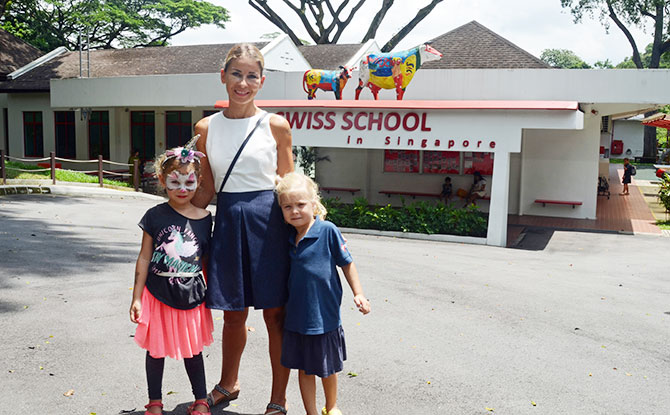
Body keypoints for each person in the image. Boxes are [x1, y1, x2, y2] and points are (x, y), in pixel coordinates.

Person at [191, 43, 294, 415]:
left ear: (262, 82)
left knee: (275, 315)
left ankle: (278, 400)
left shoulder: (276, 125)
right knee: (233, 314)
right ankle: (228, 384)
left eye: (252, 76)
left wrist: (309, 229)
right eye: (236, 74)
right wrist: (174, 221)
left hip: (270, 225)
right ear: (223, 76)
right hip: (230, 220)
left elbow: (289, 183)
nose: (243, 83)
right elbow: (206, 188)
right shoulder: (206, 127)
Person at [275, 172, 371, 415]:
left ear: (314, 204)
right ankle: (311, 412)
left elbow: (347, 263)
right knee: (304, 370)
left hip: (324, 317)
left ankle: (332, 406)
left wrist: (358, 293)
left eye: (300, 205)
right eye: (288, 207)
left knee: (327, 368)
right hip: (297, 318)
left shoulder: (327, 230)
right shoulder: (287, 238)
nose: (295, 211)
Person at [130, 142, 214, 415]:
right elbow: (144, 257)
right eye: (174, 182)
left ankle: (200, 400)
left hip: (192, 295)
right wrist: (137, 297)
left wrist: (214, 293)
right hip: (156, 294)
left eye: (189, 182)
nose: (182, 188)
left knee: (193, 349)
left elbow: (206, 262)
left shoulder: (205, 219)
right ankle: (155, 402)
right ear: (162, 180)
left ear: (199, 182)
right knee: (155, 350)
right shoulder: (154, 216)